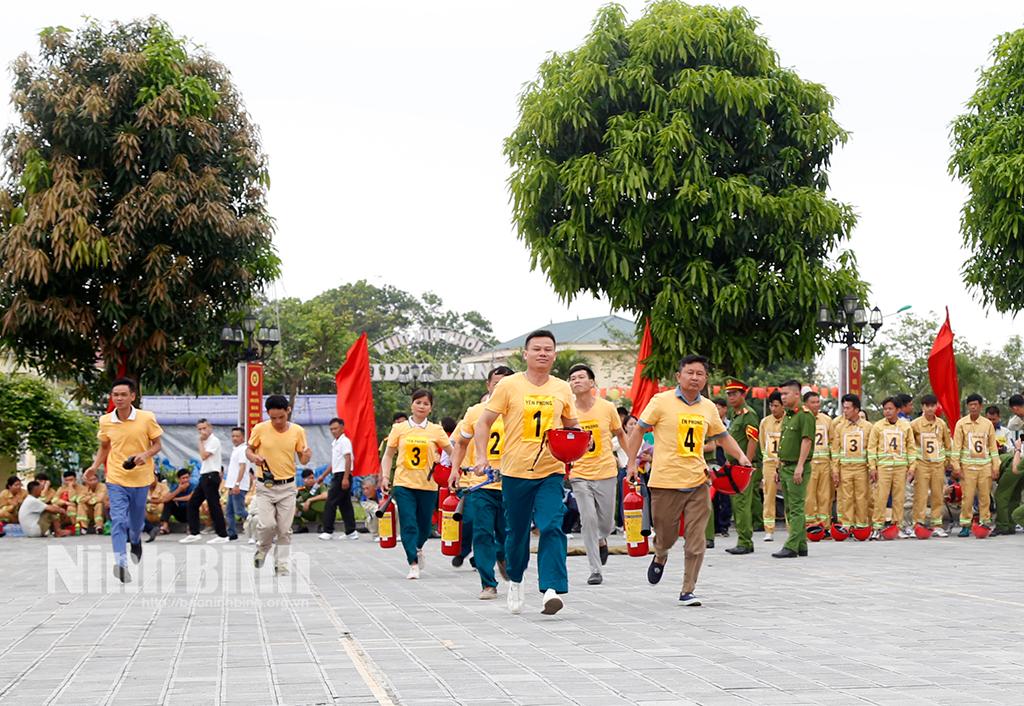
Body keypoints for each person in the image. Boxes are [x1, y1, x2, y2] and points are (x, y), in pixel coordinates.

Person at [625, 355, 750, 605]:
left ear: (705, 379)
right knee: (667, 535)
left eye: (700, 374)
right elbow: (639, 429)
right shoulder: (661, 401)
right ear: (678, 376)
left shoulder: (708, 408)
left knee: (696, 538)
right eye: (690, 372)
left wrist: (742, 456)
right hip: (665, 481)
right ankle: (660, 555)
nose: (695, 378)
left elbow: (723, 436)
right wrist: (631, 462)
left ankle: (688, 589)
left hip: (698, 481)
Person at [471, 330, 578, 615]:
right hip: (515, 471)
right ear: (525, 354)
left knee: (552, 524)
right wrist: (481, 456)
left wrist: (577, 445)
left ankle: (552, 589)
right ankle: (516, 580)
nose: (543, 353)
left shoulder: (561, 388)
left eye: (548, 349)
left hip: (550, 470)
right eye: (537, 349)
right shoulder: (508, 385)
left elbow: (572, 426)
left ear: (555, 355)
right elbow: (483, 423)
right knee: (516, 533)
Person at [85, 377, 164, 583]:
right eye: (115, 395)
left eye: (123, 394)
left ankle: (136, 540)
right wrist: (94, 467)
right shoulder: (106, 421)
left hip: (141, 478)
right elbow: (104, 447)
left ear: (132, 396)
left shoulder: (146, 418)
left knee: (136, 523)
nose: (119, 398)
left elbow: (157, 445)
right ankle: (121, 563)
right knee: (119, 520)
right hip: (116, 478)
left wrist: (144, 456)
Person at [449, 365, 514, 598]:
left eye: (506, 384)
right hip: (480, 484)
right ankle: (488, 583)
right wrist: (454, 470)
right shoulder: (475, 412)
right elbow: (460, 443)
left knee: (508, 532)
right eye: (496, 384)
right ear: (489, 385)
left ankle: (503, 556)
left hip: (512, 482)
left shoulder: (519, 412)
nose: (501, 388)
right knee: (482, 532)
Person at [380, 389, 454, 579]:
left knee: (424, 525)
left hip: (428, 485)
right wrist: (385, 477)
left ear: (431, 408)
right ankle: (412, 562)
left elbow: (452, 451)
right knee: (408, 522)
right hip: (403, 483)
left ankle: (418, 547)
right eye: (418, 402)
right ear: (412, 404)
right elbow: (388, 455)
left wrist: (455, 470)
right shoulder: (399, 428)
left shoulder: (436, 430)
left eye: (426, 403)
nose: (421, 406)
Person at [566, 363, 627, 586]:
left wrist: (631, 463)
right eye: (572, 378)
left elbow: (620, 434)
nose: (576, 381)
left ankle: (603, 539)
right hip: (579, 473)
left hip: (606, 471)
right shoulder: (567, 410)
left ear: (592, 382)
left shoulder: (607, 407)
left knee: (607, 522)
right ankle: (595, 569)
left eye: (581, 377)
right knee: (588, 519)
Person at [246, 395, 313, 576]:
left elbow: (303, 458)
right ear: (267, 414)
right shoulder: (260, 429)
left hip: (287, 487)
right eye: (273, 418)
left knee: (284, 529)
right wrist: (254, 458)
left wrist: (307, 454)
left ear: (288, 411)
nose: (277, 422)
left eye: (281, 417)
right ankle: (262, 548)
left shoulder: (298, 431)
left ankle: (281, 564)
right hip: (265, 486)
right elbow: (249, 450)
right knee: (267, 525)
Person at [769, 380, 815, 558]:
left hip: (797, 466)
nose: (783, 397)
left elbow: (806, 441)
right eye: (781, 394)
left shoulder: (805, 415)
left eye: (786, 394)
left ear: (797, 394)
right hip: (785, 466)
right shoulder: (788, 415)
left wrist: (800, 466)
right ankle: (801, 544)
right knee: (789, 507)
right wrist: (778, 468)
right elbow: (784, 444)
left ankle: (791, 546)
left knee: (795, 507)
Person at [723, 378, 763, 555]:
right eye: (729, 394)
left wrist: (746, 462)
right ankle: (743, 539)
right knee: (738, 503)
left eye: (734, 394)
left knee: (742, 504)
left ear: (743, 394)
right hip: (734, 465)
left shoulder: (748, 414)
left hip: (744, 466)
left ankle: (745, 541)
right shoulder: (735, 414)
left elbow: (752, 440)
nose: (731, 397)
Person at [867, 397, 917, 539]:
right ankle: (877, 527)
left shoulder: (905, 426)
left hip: (901, 467)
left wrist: (912, 467)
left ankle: (898, 526)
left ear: (898, 410)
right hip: (883, 467)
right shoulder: (878, 427)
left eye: (890, 409)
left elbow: (911, 448)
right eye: (885, 409)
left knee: (899, 498)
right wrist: (872, 467)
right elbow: (872, 448)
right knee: (880, 498)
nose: (887, 412)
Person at [950, 393, 1000, 535]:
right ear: (967, 407)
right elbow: (956, 447)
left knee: (985, 497)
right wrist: (956, 466)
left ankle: (984, 523)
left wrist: (995, 466)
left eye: (976, 405)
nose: (973, 407)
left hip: (984, 466)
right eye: (970, 405)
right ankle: (966, 524)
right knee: (967, 497)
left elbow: (992, 448)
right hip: (967, 467)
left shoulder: (987, 424)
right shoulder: (961, 424)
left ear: (980, 406)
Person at [910, 394, 952, 537]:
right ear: (922, 407)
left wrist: (946, 461)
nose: (930, 409)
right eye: (927, 406)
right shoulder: (915, 424)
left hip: (938, 464)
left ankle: (936, 524)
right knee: (920, 495)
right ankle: (918, 523)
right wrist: (913, 463)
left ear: (936, 407)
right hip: (921, 464)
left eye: (932, 406)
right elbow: (909, 444)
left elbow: (947, 444)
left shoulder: (941, 424)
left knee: (938, 495)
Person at [180, 419, 228, 544]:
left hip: (211, 476)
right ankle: (194, 532)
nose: (202, 431)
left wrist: (200, 442)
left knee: (214, 505)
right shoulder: (206, 441)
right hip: (204, 475)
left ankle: (222, 534)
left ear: (210, 428)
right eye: (200, 429)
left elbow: (204, 456)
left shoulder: (214, 440)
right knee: (193, 503)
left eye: (204, 428)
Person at [830, 393, 873, 531]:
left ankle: (861, 525)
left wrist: (872, 468)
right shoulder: (840, 427)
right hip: (845, 468)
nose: (845, 411)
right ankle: (847, 525)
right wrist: (835, 470)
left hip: (861, 469)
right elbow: (835, 452)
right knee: (846, 498)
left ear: (856, 410)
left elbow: (871, 450)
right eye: (844, 408)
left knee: (862, 498)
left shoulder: (868, 427)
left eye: (848, 408)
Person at [318, 417, 358, 541]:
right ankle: (351, 531)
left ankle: (328, 530)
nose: (333, 431)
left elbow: (348, 459)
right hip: (337, 473)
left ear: (342, 428)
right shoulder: (335, 443)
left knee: (331, 502)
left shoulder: (344, 441)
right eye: (331, 429)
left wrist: (345, 478)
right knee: (345, 504)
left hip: (342, 475)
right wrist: (323, 476)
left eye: (335, 428)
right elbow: (334, 463)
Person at [803, 391, 833, 528]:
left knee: (825, 496)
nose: (816, 405)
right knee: (809, 496)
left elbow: (833, 442)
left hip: (825, 463)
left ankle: (825, 526)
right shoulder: (801, 419)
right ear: (806, 404)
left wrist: (833, 465)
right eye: (812, 402)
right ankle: (810, 525)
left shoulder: (827, 420)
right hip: (809, 463)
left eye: (817, 402)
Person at [758, 392, 785, 541]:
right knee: (769, 495)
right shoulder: (764, 422)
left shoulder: (788, 420)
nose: (773, 409)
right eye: (771, 405)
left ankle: (791, 528)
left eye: (776, 406)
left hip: (785, 463)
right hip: (769, 463)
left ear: (782, 406)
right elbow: (763, 444)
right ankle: (769, 529)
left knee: (788, 495)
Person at [225, 426, 251, 541]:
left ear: (243, 437)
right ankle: (232, 534)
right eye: (233, 436)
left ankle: (258, 525)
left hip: (238, 485)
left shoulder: (243, 450)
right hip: (231, 485)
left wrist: (237, 484)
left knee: (239, 511)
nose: (234, 438)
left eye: (237, 436)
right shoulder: (235, 449)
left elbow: (242, 467)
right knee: (229, 511)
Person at [997, 438, 1024, 535]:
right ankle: (1011, 525)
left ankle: (1002, 526)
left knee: (1001, 496)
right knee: (1014, 497)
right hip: (1020, 466)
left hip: (1012, 467)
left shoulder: (990, 459)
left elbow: (994, 475)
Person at [159, 469, 195, 533]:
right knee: (168, 502)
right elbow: (165, 499)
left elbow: (190, 497)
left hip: (189, 512)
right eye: (183, 478)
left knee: (192, 502)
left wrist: (176, 499)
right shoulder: (175, 487)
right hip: (179, 513)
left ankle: (191, 527)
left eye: (187, 477)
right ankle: (165, 527)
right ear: (179, 479)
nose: (186, 480)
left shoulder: (193, 486)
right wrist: (179, 489)